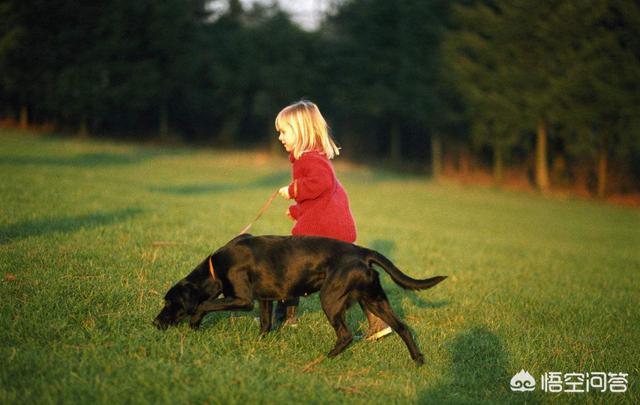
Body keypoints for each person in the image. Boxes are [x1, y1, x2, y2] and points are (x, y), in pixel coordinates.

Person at [274, 100, 392, 340]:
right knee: (352, 277)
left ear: (302, 131)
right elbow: (321, 200)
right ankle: (379, 323)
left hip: (322, 234)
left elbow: (321, 184)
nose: (280, 137)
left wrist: (294, 189)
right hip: (335, 230)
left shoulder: (309, 159)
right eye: (279, 132)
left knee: (288, 268)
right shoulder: (312, 157)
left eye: (284, 131)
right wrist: (296, 212)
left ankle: (285, 318)